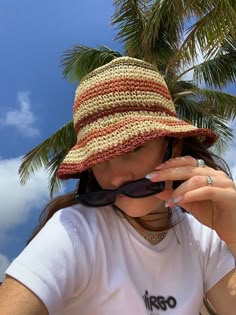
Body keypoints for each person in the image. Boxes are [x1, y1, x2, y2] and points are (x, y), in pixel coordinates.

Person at [0, 57, 236, 315]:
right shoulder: (74, 230)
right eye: (100, 159)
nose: (115, 178)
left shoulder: (204, 237)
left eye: (134, 148)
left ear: (173, 146)